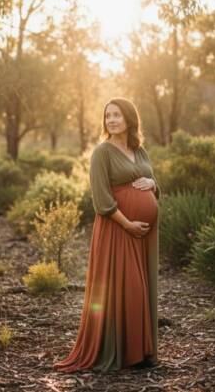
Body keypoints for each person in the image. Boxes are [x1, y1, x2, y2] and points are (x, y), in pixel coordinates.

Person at [53, 97, 160, 372]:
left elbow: (150, 183)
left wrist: (154, 184)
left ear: (129, 119)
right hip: (117, 230)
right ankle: (124, 353)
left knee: (142, 288)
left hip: (143, 235)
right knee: (129, 288)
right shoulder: (102, 152)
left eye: (117, 115)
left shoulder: (140, 151)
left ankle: (142, 351)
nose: (111, 120)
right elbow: (101, 200)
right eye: (108, 115)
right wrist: (128, 225)